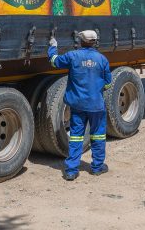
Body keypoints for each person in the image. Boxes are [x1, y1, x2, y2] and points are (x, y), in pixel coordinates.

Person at [48, 30, 111, 181]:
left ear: (80, 41)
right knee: (98, 136)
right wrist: (97, 89)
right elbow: (108, 83)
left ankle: (71, 170)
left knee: (76, 137)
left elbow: (54, 61)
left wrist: (52, 47)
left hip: (78, 105)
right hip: (96, 105)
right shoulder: (102, 59)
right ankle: (97, 167)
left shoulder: (73, 56)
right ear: (95, 42)